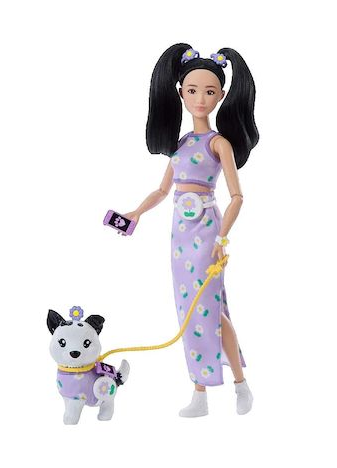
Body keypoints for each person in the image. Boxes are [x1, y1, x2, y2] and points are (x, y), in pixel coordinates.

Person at [122, 43, 259, 417]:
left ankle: (240, 386)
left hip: (207, 232)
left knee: (209, 310)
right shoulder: (181, 145)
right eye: (193, 91)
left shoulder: (219, 143)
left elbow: (237, 197)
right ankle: (200, 393)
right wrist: (136, 213)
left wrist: (222, 237)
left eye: (209, 92)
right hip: (179, 235)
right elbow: (162, 190)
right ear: (181, 92)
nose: (201, 99)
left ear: (221, 96)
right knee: (189, 312)